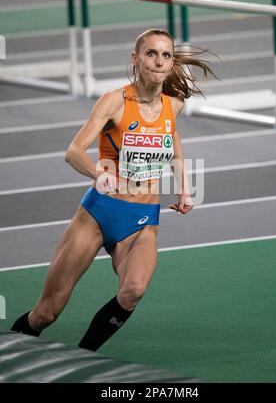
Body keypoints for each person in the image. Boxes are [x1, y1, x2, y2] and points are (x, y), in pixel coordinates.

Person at [11, 29, 214, 351]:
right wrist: (96, 173)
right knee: (46, 313)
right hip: (97, 213)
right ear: (136, 59)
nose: (159, 61)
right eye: (151, 53)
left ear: (172, 62)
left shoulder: (174, 105)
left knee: (133, 290)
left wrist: (185, 188)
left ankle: (84, 356)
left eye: (166, 55)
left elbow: (173, 141)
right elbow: (73, 151)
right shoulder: (113, 101)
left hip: (142, 219)